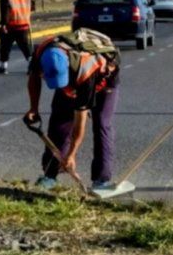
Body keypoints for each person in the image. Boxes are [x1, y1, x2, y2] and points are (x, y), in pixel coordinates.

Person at [24, 31, 120, 192]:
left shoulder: (86, 71)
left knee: (101, 124)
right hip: (74, 79)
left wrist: (71, 154)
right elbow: (34, 77)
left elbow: (80, 119)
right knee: (59, 122)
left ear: (67, 66)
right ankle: (50, 175)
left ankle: (101, 180)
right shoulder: (42, 51)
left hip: (103, 80)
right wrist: (33, 107)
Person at [0, 0, 34, 74]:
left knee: (5, 46)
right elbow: (32, 5)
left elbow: (5, 9)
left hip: (11, 25)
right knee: (26, 47)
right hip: (24, 24)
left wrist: (3, 24)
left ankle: (4, 66)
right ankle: (32, 66)